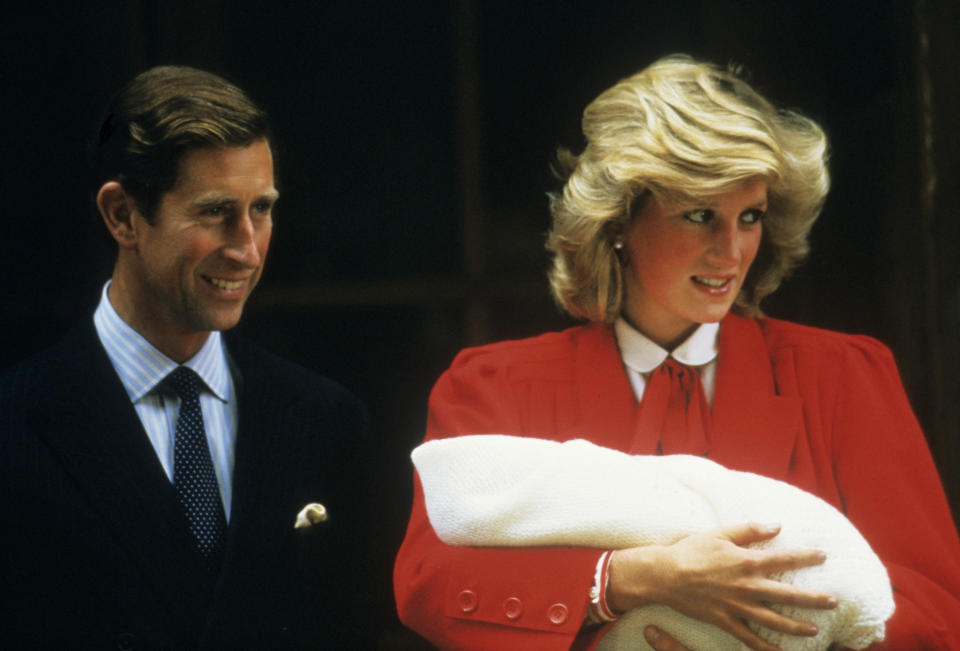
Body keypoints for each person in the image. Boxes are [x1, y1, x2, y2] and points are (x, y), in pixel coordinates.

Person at [394, 55, 960, 650]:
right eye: (699, 216)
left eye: (750, 217)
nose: (732, 251)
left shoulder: (842, 374)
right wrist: (624, 580)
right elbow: (427, 584)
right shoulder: (493, 385)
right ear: (617, 221)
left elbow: (936, 608)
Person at [0, 66, 373, 649]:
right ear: (123, 215)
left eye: (263, 209)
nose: (247, 250)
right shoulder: (14, 426)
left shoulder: (329, 422)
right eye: (215, 211)